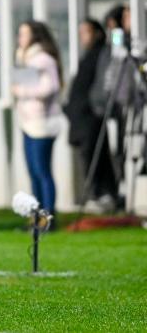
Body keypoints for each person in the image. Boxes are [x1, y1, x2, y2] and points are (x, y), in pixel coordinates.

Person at [64, 19, 118, 213]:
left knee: (95, 154)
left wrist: (97, 105)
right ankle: (99, 193)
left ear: (97, 32)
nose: (82, 37)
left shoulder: (103, 52)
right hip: (81, 114)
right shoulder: (87, 55)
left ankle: (102, 194)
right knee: (89, 153)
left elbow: (105, 81)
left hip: (92, 113)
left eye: (86, 32)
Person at [12, 21, 62, 220]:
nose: (20, 39)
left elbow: (50, 87)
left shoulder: (42, 59)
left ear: (35, 36)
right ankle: (37, 216)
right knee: (33, 171)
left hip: (42, 122)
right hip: (27, 121)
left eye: (24, 34)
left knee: (42, 170)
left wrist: (21, 90)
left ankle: (48, 216)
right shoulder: (25, 57)